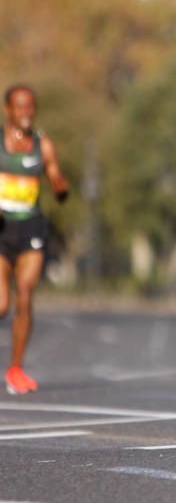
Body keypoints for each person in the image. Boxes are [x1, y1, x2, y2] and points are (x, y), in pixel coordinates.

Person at [0, 85, 70, 395]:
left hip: (30, 229)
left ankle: (15, 370)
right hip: (1, 233)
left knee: (25, 296)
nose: (26, 112)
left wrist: (58, 184)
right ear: (8, 110)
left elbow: (59, 185)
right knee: (2, 305)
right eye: (20, 106)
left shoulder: (43, 146)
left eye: (31, 107)